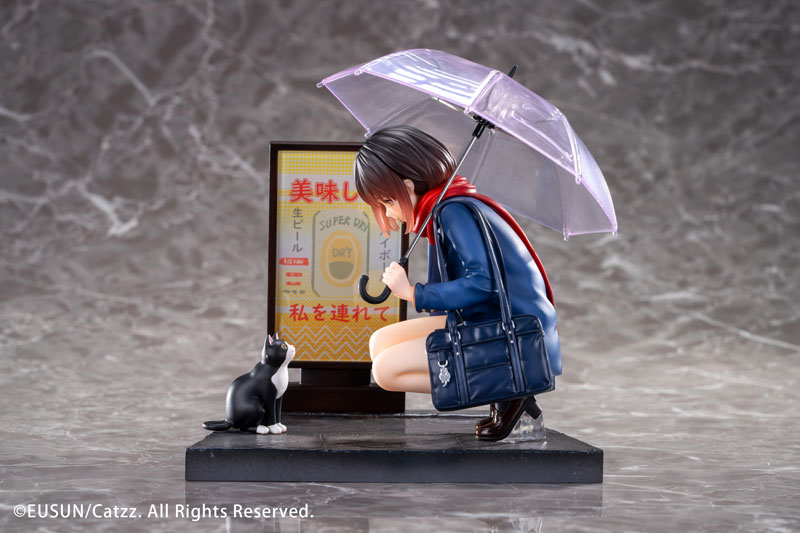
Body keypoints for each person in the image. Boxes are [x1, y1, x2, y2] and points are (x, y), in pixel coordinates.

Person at [354, 125, 561, 441]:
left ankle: (509, 388)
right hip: (484, 316)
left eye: (387, 201)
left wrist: (411, 292)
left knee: (386, 370)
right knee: (379, 343)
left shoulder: (453, 211)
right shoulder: (443, 208)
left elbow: (483, 284)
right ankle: (503, 393)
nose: (389, 214)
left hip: (515, 332)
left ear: (407, 186)